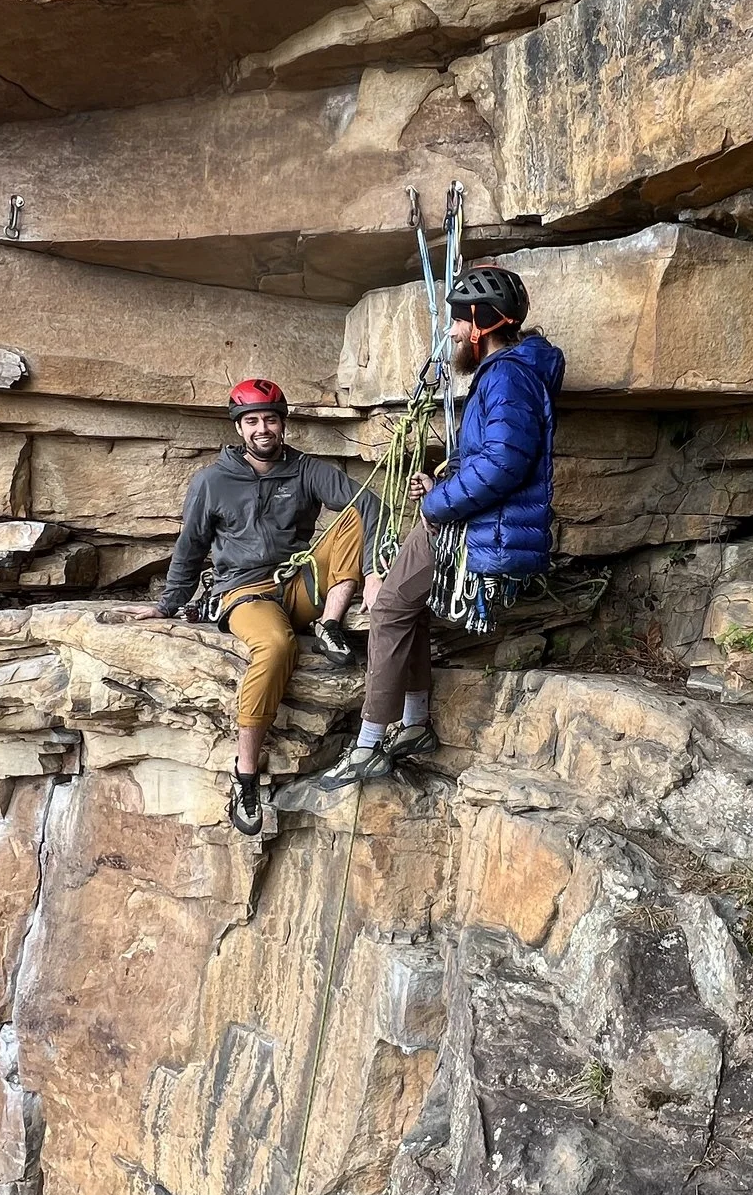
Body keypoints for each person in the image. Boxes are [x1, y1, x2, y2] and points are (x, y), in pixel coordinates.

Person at [313, 260, 564, 789]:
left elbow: (505, 464)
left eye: (456, 321)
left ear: (481, 323)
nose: (450, 333)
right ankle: (414, 724)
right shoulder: (513, 372)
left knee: (386, 610)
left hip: (470, 529)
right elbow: (497, 455)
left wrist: (436, 504)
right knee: (410, 609)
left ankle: (369, 744)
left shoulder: (507, 376)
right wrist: (445, 479)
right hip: (472, 519)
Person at [129, 378, 366, 836]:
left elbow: (368, 505)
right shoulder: (212, 482)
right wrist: (167, 605)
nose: (263, 428)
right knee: (277, 647)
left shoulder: (305, 470)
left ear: (283, 424)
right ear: (240, 428)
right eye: (253, 420)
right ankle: (246, 776)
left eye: (271, 420)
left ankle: (331, 624)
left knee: (357, 512)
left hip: (299, 582)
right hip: (245, 592)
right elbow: (191, 546)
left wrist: (372, 574)